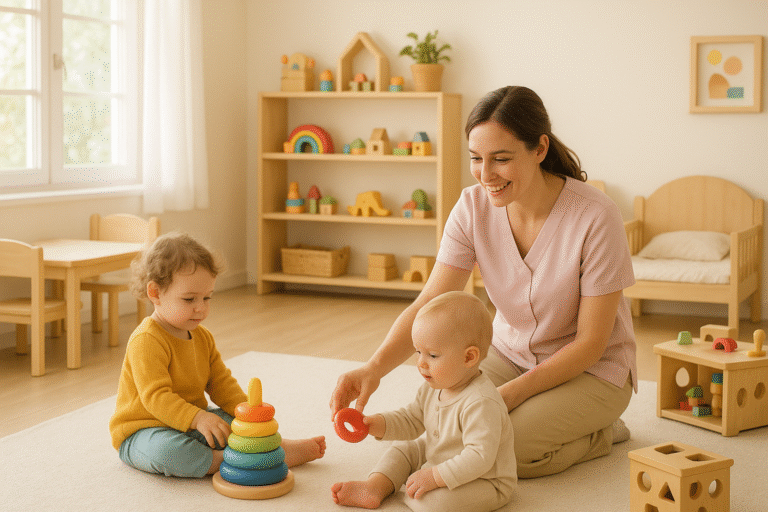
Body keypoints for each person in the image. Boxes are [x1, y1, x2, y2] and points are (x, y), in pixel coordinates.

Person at [331, 85, 637, 479]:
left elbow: (591, 344)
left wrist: (511, 395)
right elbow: (431, 300)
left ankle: (602, 434)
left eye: (501, 159)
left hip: (593, 371)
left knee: (504, 446)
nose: (486, 175)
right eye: (476, 159)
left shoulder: (596, 216)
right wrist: (373, 368)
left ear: (540, 149)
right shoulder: (471, 209)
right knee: (440, 418)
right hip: (510, 356)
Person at [109, 232, 325, 478]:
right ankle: (232, 459)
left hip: (192, 421)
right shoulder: (146, 340)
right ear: (155, 293)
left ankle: (275, 448)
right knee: (169, 453)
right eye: (189, 299)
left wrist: (246, 412)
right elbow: (156, 398)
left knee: (233, 425)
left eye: (207, 297)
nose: (201, 307)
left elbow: (221, 382)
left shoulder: (202, 337)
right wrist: (198, 417)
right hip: (144, 430)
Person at [332, 291, 516, 511]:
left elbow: (479, 458)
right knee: (402, 449)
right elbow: (411, 419)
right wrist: (374, 424)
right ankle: (375, 486)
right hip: (436, 455)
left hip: (484, 480)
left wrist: (434, 477)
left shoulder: (481, 402)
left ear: (469, 357)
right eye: (419, 352)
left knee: (433, 503)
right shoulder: (434, 387)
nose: (421, 363)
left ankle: (409, 487)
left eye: (433, 355)